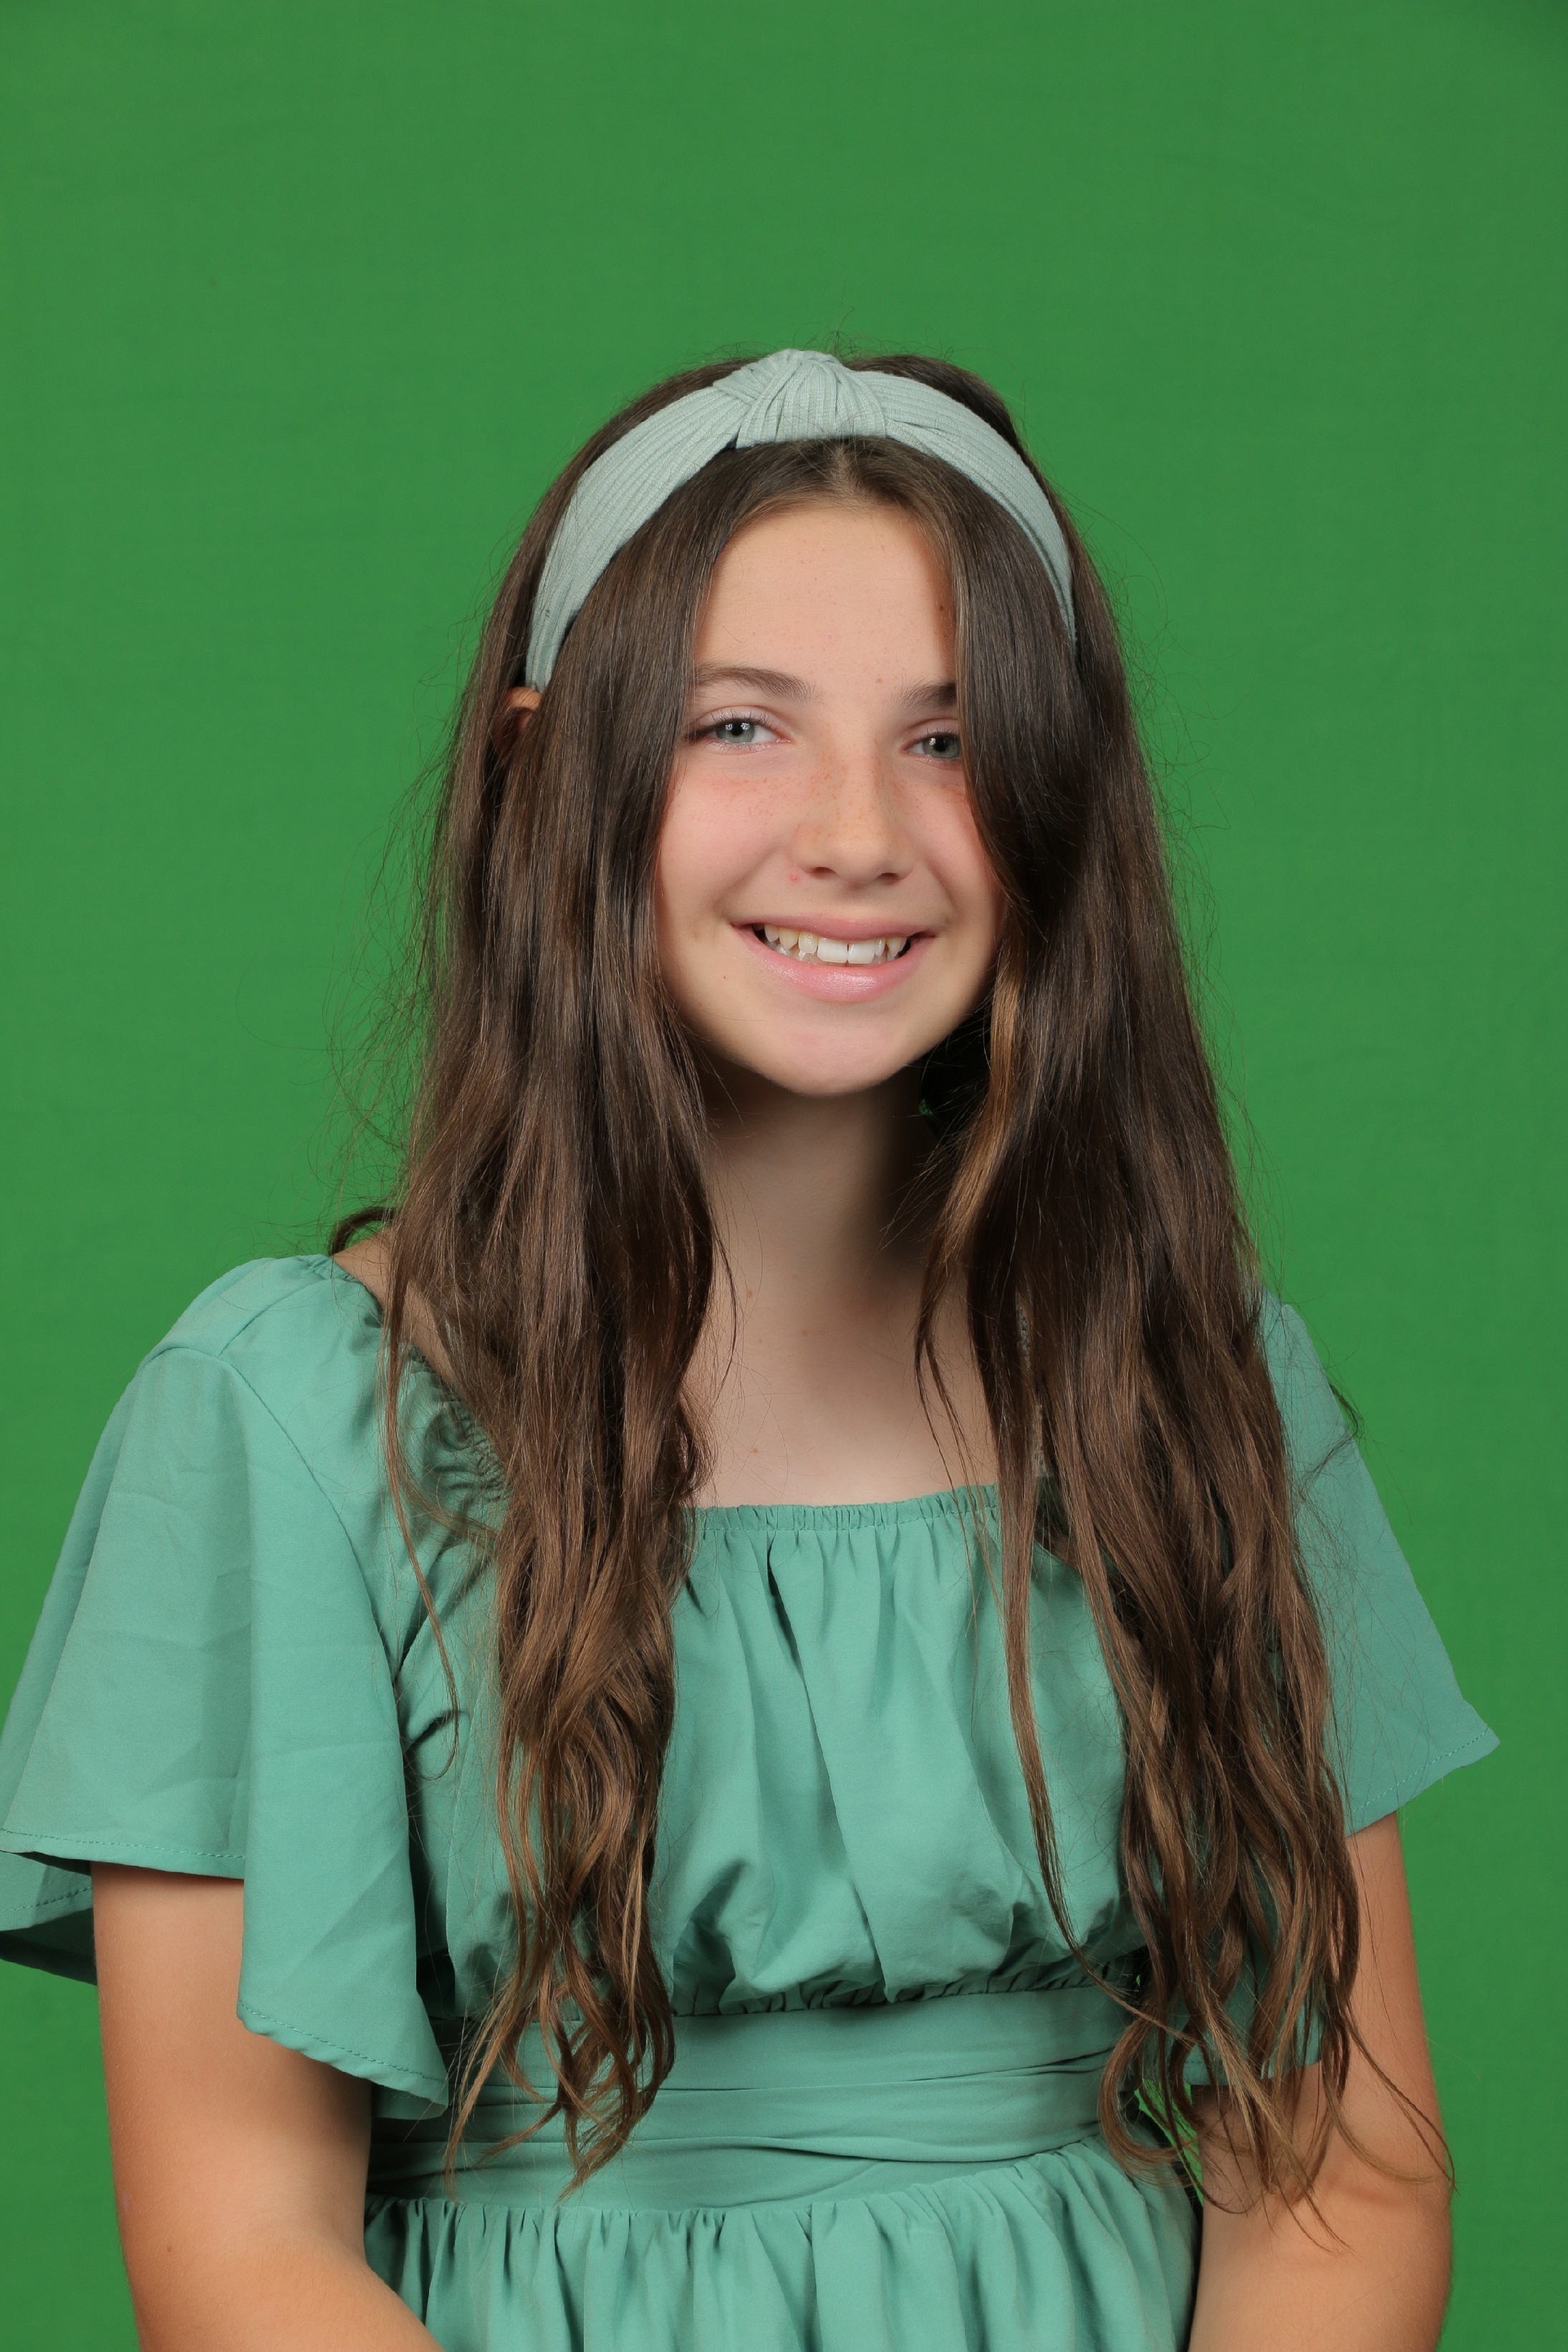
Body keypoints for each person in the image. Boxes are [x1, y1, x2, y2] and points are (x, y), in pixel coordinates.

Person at [0, 348, 1494, 2352]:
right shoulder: (287, 1423)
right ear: (546, 770)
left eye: (950, 739)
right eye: (738, 726)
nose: (857, 831)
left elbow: (1347, 2169)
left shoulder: (1195, 1386)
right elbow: (241, 2253)